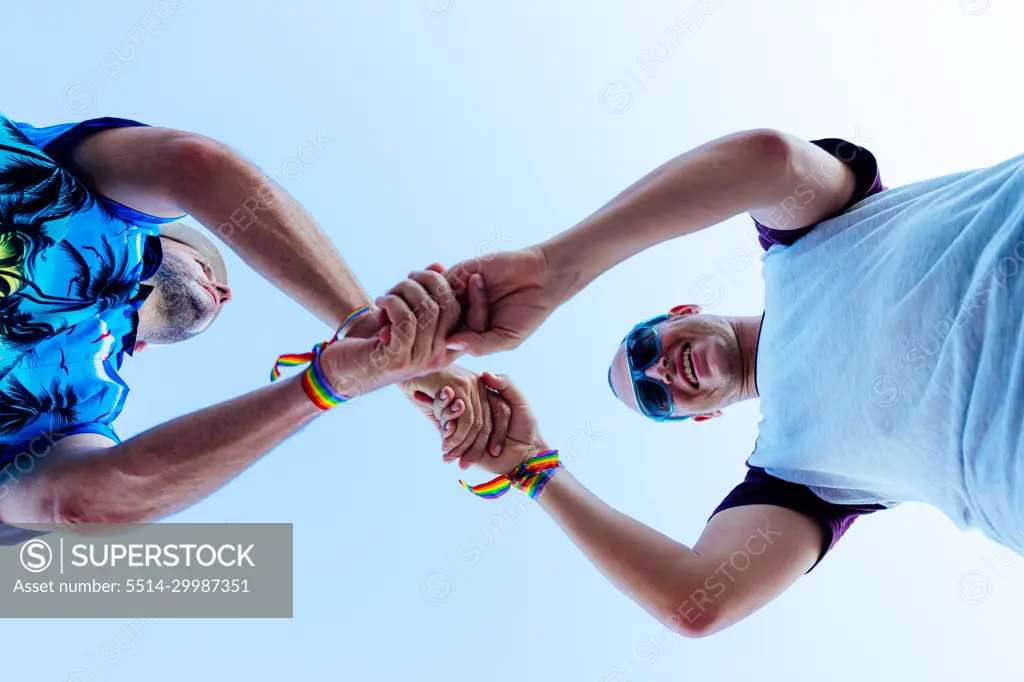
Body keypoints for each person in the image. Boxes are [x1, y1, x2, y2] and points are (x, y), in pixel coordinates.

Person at [423, 128, 1024, 637]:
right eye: (653, 395)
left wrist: (557, 266)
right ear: (697, 417)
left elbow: (768, 159)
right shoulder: (794, 479)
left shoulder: (806, 237)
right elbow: (697, 602)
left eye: (643, 348)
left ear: (680, 313)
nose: (657, 370)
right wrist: (533, 467)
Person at [0, 112, 506, 542]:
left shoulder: (80, 406)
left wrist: (332, 381)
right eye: (207, 261)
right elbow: (194, 166)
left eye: (219, 288)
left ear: (148, 349)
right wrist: (374, 331)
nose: (225, 292)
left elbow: (81, 502)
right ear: (156, 224)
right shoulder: (98, 198)